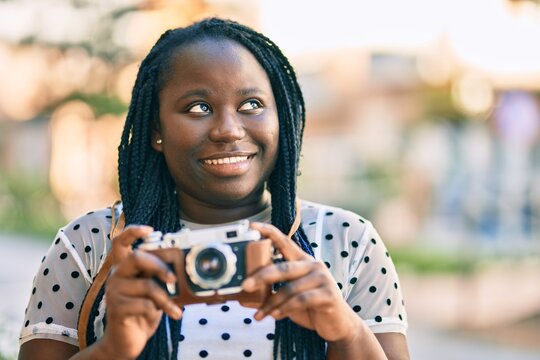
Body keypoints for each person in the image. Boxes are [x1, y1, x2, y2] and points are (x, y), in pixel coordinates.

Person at [18, 17, 409, 360]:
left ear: (281, 118)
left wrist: (345, 331)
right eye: (198, 108)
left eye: (252, 104)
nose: (228, 129)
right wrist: (114, 349)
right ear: (156, 130)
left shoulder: (348, 241)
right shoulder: (92, 242)